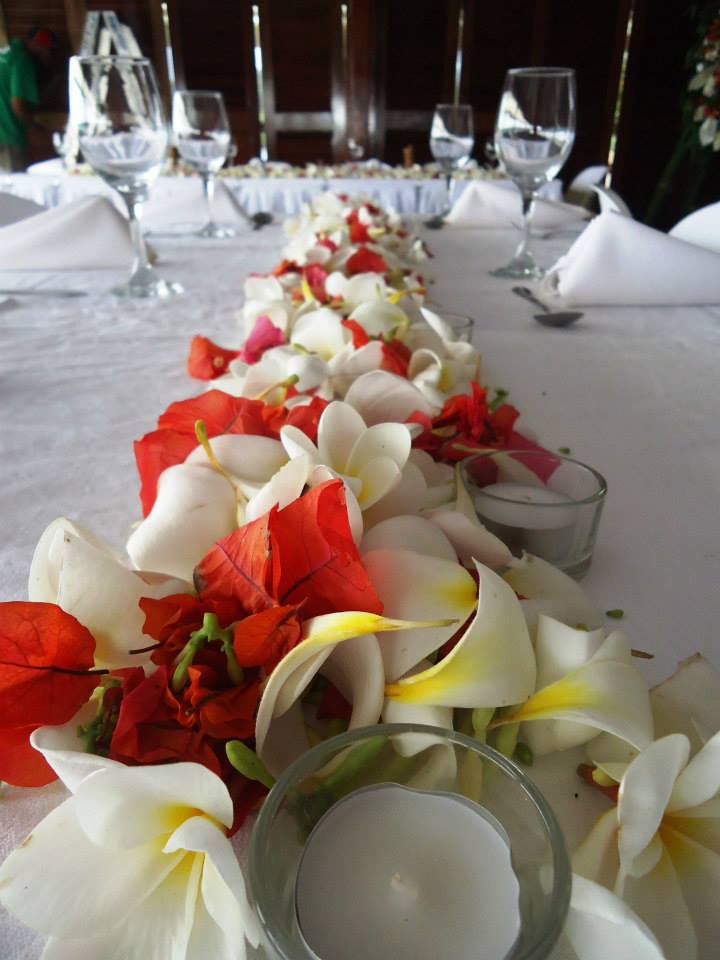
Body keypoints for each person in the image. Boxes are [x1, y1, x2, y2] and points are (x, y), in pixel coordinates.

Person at [0, 34, 40, 171]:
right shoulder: (22, 59)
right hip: (10, 134)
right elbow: (18, 105)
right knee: (17, 186)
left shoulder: (5, 53)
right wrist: (34, 129)